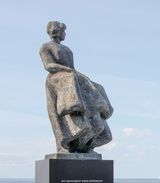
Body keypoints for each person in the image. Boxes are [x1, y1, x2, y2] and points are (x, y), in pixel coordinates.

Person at [40, 21, 113, 154]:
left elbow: (73, 69)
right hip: (57, 79)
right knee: (72, 79)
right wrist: (69, 71)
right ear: (57, 31)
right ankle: (65, 142)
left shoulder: (68, 50)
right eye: (63, 31)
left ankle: (85, 144)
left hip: (70, 77)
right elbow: (49, 66)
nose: (65, 34)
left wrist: (77, 74)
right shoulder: (46, 47)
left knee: (97, 87)